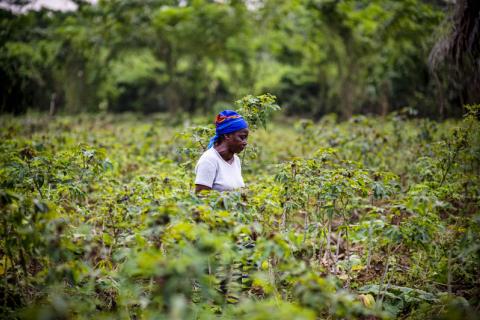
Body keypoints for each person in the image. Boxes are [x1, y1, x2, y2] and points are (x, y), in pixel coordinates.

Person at [195, 110, 249, 193]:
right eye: (242, 137)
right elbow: (200, 199)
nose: (245, 142)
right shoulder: (209, 160)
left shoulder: (236, 160)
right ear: (226, 135)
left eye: (246, 138)